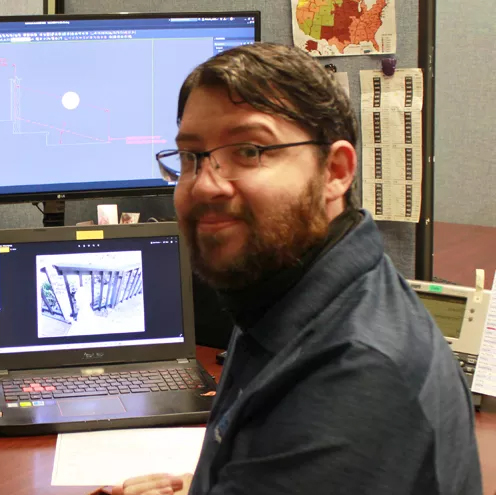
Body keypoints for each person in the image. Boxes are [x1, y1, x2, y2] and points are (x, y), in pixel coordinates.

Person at [105, 42, 482, 495]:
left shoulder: (354, 380)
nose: (205, 184)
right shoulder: (286, 284)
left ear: (335, 171)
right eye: (191, 157)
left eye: (248, 150)